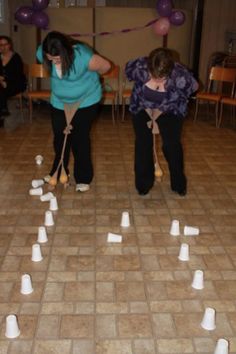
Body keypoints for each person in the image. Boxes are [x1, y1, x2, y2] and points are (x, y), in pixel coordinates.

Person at [36, 31, 111, 192]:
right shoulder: (41, 52)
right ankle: (58, 171)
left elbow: (106, 67)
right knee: (59, 138)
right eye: (51, 59)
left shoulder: (83, 56)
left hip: (86, 101)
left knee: (80, 139)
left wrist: (88, 78)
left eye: (57, 59)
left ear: (66, 52)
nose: (54, 62)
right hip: (59, 102)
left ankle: (83, 178)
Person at [125, 47, 198, 196]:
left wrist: (177, 97)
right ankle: (143, 184)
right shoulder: (140, 67)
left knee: (172, 146)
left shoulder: (180, 75)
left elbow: (194, 87)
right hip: (142, 109)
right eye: (153, 75)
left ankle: (178, 184)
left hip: (170, 111)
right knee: (143, 144)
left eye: (162, 77)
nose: (157, 80)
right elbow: (127, 71)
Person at [0, 35, 26, 126]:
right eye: (1, 45)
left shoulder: (16, 57)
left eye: (5, 44)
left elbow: (18, 74)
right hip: (1, 84)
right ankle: (3, 112)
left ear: (9, 45)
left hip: (16, 83)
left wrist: (5, 81)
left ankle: (2, 114)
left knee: (1, 91)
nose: (3, 47)